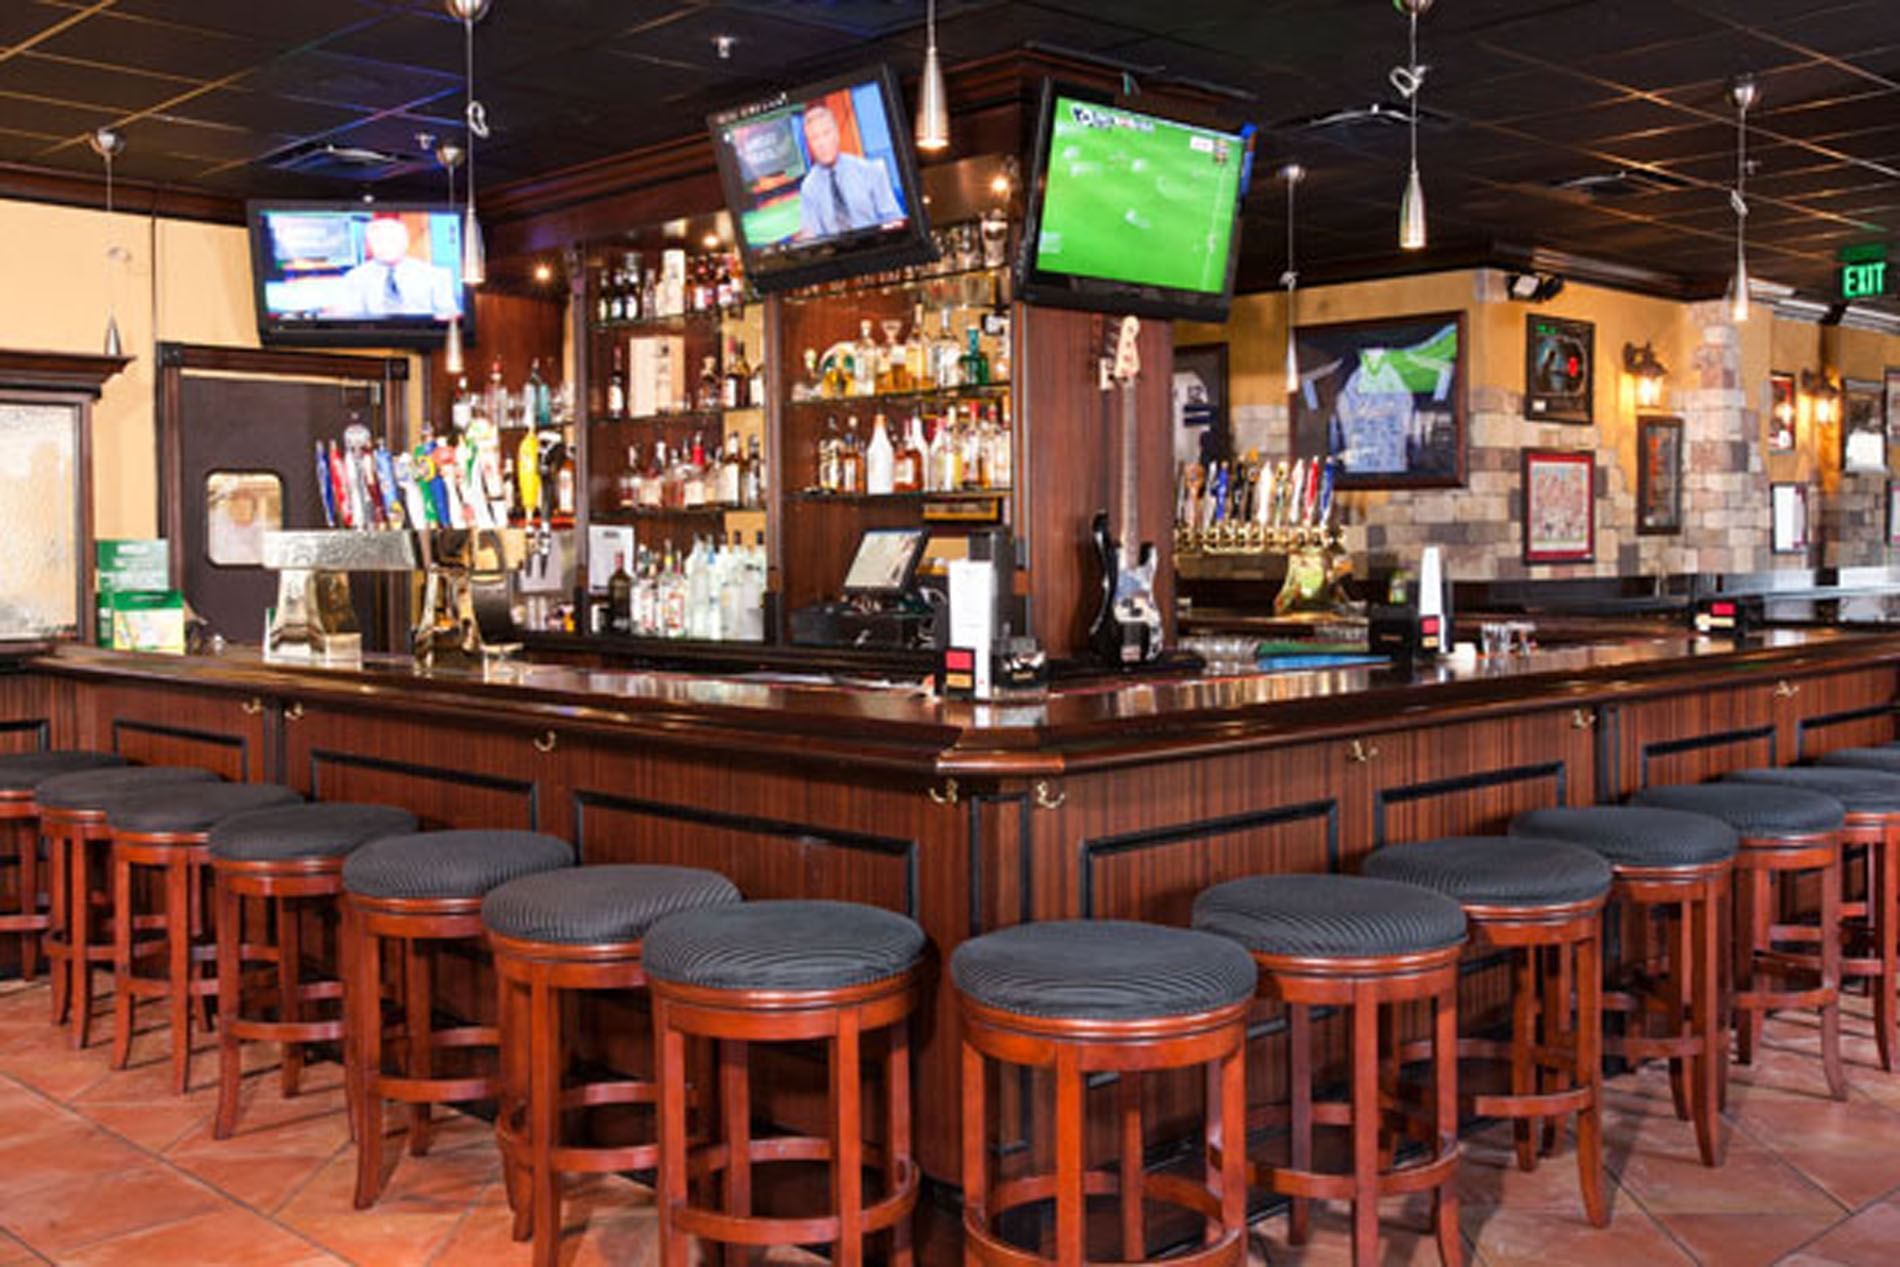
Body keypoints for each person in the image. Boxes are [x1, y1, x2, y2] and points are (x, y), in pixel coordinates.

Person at [796, 104, 903, 240]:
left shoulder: (870, 170)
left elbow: (894, 220)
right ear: (809, 144)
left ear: (836, 134)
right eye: (815, 138)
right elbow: (812, 237)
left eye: (826, 133)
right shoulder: (809, 188)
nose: (822, 143)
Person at [330, 216, 459, 318]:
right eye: (379, 241)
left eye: (392, 240)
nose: (386, 246)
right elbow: (350, 319)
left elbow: (449, 318)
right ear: (369, 246)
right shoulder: (354, 278)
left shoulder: (435, 276)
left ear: (405, 242)